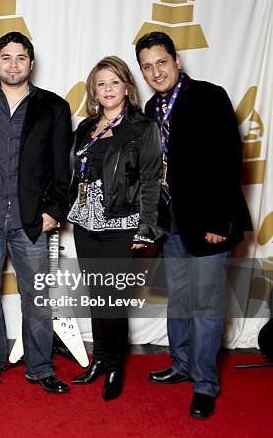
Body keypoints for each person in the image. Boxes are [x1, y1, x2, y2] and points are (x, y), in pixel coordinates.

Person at [135, 32, 252, 419]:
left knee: (206, 304)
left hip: (209, 225)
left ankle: (204, 384)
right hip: (171, 225)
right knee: (179, 300)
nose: (156, 71)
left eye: (161, 62)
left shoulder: (209, 96)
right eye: (147, 66)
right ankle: (180, 364)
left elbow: (229, 160)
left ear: (177, 61)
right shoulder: (151, 109)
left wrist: (220, 220)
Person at [0, 32, 72, 394]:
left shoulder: (54, 107)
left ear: (31, 63)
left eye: (20, 58)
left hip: (30, 222)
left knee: (36, 299)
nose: (13, 64)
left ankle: (40, 367)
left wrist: (54, 211)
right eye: (6, 57)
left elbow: (61, 167)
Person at [67, 56, 163, 401]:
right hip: (85, 222)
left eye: (114, 82)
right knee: (95, 297)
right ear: (93, 90)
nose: (107, 89)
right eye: (101, 84)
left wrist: (146, 228)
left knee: (112, 300)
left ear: (126, 87)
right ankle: (99, 360)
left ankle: (115, 366)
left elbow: (152, 180)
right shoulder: (84, 128)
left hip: (121, 222)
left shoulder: (142, 127)